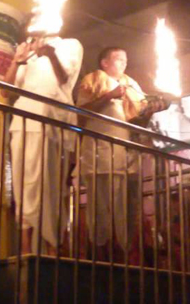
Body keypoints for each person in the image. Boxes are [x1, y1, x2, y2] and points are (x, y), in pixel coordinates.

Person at [76, 46, 164, 260]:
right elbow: (81, 113)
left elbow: (138, 117)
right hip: (101, 155)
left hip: (126, 156)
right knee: (101, 207)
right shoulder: (93, 79)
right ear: (105, 62)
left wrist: (153, 108)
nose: (123, 63)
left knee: (126, 209)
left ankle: (126, 254)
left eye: (125, 59)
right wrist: (110, 96)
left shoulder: (131, 84)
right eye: (118, 59)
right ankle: (101, 254)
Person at [4, 32, 82, 255]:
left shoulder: (68, 44)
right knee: (22, 182)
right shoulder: (27, 50)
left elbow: (64, 78)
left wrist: (51, 54)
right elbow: (5, 90)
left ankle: (52, 248)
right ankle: (26, 248)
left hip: (50, 118)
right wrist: (16, 61)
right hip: (22, 118)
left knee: (48, 183)